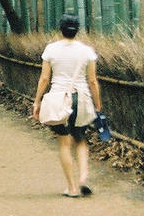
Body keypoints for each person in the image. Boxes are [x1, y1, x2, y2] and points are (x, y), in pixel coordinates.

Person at [32, 13, 103, 197]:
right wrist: (97, 105)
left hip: (58, 99)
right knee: (80, 140)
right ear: (77, 30)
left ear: (60, 28)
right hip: (80, 99)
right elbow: (93, 81)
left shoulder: (51, 49)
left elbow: (45, 78)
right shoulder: (86, 51)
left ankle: (72, 188)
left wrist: (37, 101)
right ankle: (83, 178)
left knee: (64, 143)